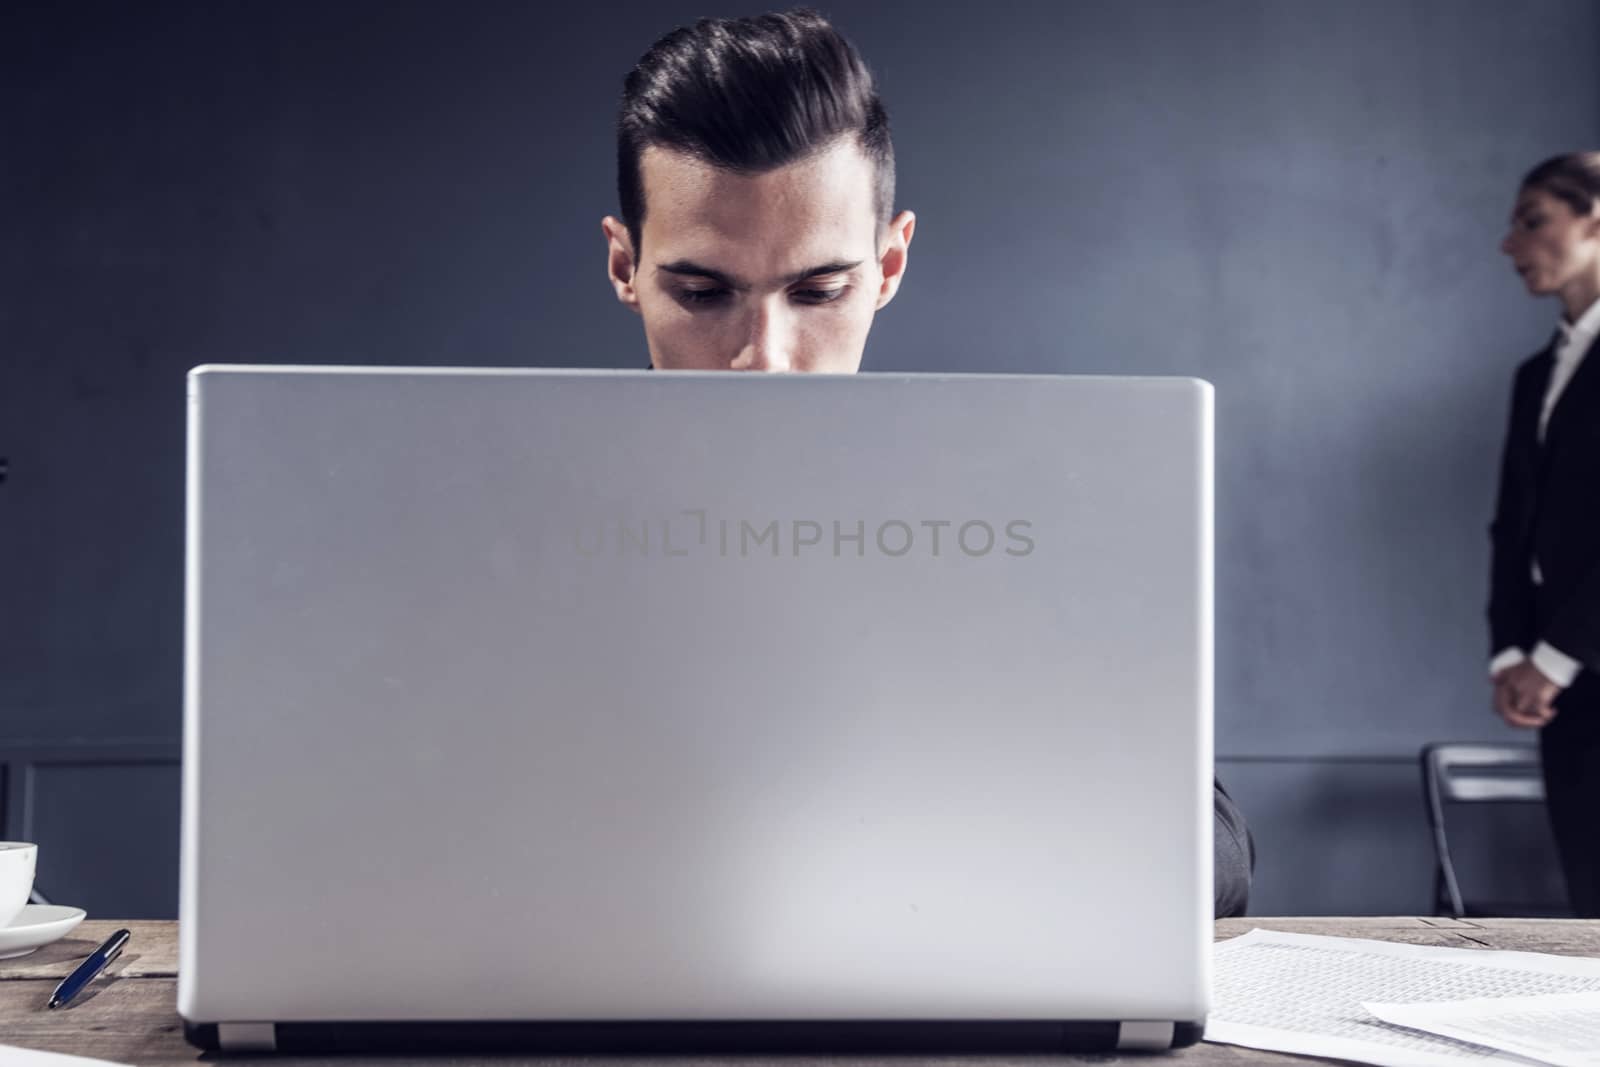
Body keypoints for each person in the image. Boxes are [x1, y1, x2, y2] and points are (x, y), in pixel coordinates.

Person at [599, 8, 1254, 918]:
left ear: (890, 262)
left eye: (820, 289)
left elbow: (1215, 853)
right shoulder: (497, 524)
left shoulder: (1017, 520)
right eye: (704, 292)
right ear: (625, 264)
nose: (767, 356)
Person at [1488, 152, 1600, 917]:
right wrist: (1509, 651)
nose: (1510, 243)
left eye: (1533, 220)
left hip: (1573, 660)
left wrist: (1553, 659)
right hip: (1558, 689)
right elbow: (1511, 526)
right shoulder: (1536, 372)